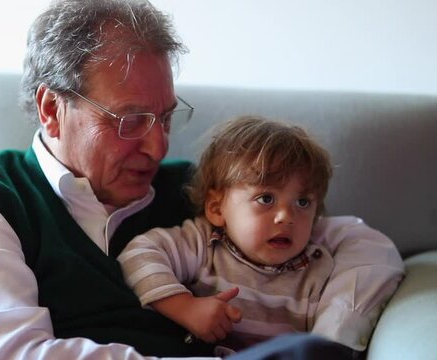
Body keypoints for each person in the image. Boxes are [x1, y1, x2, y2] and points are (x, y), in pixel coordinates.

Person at [0, 0, 404, 359]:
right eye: (129, 121)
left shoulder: (197, 193)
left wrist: (333, 334)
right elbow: (13, 355)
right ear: (51, 109)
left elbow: (358, 243)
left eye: (165, 118)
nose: (158, 147)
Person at [119, 116, 377, 355]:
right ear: (217, 208)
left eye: (302, 202)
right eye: (266, 199)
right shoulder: (204, 244)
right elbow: (138, 255)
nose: (286, 216)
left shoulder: (318, 268)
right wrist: (186, 308)